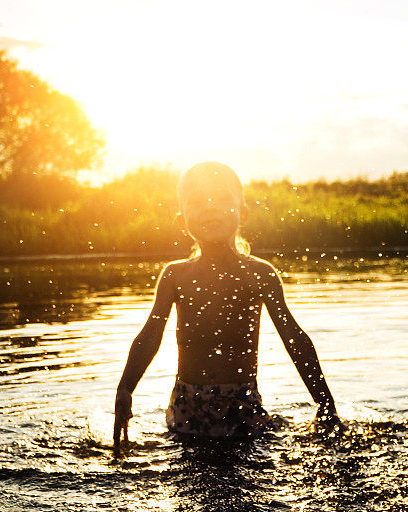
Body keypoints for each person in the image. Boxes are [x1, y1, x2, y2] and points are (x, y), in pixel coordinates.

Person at [113, 161, 343, 455]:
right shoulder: (175, 276)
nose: (210, 208)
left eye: (222, 198)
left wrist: (325, 403)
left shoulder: (259, 274)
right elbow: (149, 336)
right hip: (186, 412)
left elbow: (293, 338)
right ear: (182, 221)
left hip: (243, 409)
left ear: (242, 213)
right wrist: (125, 389)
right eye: (197, 202)